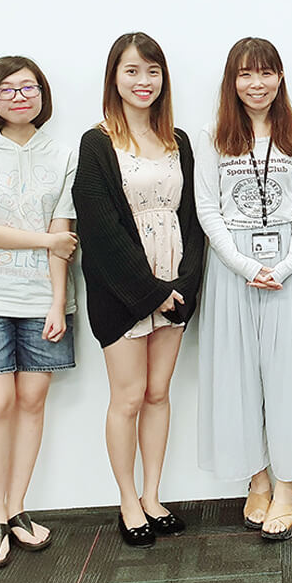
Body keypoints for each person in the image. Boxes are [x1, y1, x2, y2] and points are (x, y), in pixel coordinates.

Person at [72, 32, 204, 548]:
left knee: (157, 394)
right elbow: (100, 229)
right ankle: (127, 500)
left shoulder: (180, 141)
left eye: (152, 71)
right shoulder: (97, 141)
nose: (143, 81)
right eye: (132, 71)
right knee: (126, 398)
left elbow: (193, 221)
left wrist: (183, 286)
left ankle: (153, 495)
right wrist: (149, 293)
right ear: (114, 78)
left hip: (174, 283)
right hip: (123, 290)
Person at [194, 37, 292, 541]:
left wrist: (286, 265)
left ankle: (288, 485)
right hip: (232, 269)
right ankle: (257, 479)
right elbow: (209, 209)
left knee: (288, 378)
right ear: (233, 81)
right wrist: (242, 262)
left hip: (287, 267)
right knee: (237, 376)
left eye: (266, 73)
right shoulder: (213, 136)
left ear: (280, 77)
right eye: (246, 74)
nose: (257, 84)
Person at [0, 56, 78, 568]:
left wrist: (57, 302)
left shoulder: (63, 152)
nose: (20, 97)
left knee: (32, 402)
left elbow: (65, 238)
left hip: (42, 299)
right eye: (7, 90)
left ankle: (19, 509)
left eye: (29, 88)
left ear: (43, 94)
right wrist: (48, 238)